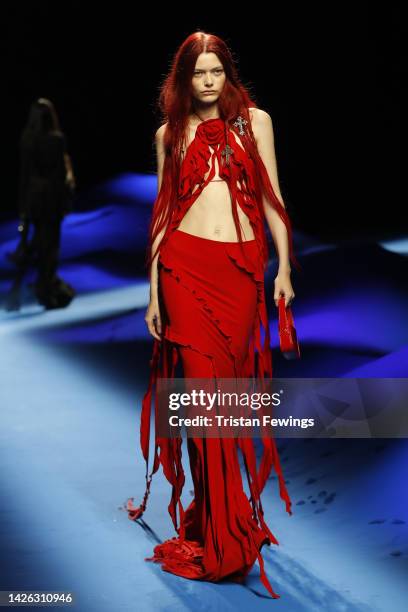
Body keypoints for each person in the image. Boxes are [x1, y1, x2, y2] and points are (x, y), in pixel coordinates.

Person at [124, 31, 302, 599]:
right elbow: (161, 213)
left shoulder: (257, 123)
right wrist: (153, 291)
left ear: (228, 75)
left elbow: (273, 194)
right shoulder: (168, 134)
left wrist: (283, 268)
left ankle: (221, 521)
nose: (207, 82)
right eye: (197, 73)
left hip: (242, 272)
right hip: (184, 268)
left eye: (216, 72)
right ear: (183, 79)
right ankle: (225, 538)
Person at [6, 97, 76, 310]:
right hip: (51, 200)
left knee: (31, 246)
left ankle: (20, 292)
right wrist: (64, 202)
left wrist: (22, 206)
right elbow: (60, 175)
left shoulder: (28, 139)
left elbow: (24, 175)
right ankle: (45, 291)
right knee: (49, 246)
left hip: (34, 199)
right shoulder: (56, 139)